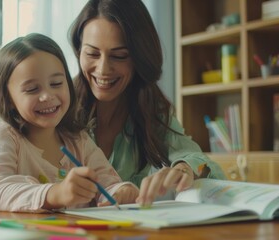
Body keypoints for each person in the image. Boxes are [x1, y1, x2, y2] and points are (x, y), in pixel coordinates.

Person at [68, 0, 225, 207]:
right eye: (92, 53)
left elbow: (204, 164)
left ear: (139, 57)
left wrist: (184, 169)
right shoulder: (59, 103)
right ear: (79, 51)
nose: (103, 69)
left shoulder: (150, 108)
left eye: (119, 55)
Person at [0, 33, 138, 212]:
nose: (47, 96)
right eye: (32, 89)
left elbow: (107, 182)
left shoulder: (78, 140)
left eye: (57, 83)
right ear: (9, 99)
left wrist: (121, 191)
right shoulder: (6, 136)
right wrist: (55, 193)